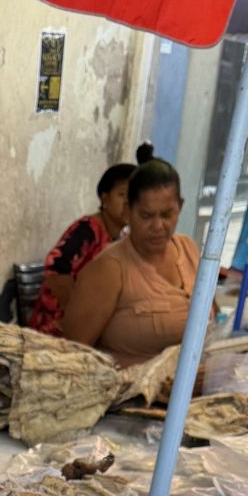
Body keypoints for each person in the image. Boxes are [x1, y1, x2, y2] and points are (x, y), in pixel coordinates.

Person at [62, 153, 201, 367]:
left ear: (180, 207)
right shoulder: (110, 269)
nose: (158, 227)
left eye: (167, 215)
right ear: (127, 211)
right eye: (146, 216)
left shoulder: (189, 250)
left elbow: (213, 318)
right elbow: (73, 354)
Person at [27, 157, 138, 336]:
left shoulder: (122, 238)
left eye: (133, 197)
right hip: (57, 330)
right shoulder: (87, 229)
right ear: (104, 198)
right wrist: (75, 315)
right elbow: (56, 265)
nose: (127, 203)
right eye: (122, 194)